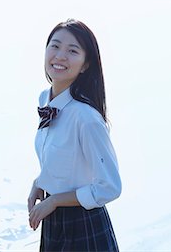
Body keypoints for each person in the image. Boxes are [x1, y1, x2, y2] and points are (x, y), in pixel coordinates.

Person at [28, 19, 122, 251]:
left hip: (83, 223)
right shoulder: (45, 99)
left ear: (85, 64)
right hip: (54, 219)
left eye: (72, 51)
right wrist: (40, 182)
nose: (60, 56)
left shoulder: (86, 118)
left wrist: (56, 199)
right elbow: (64, 158)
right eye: (55, 46)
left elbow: (110, 186)